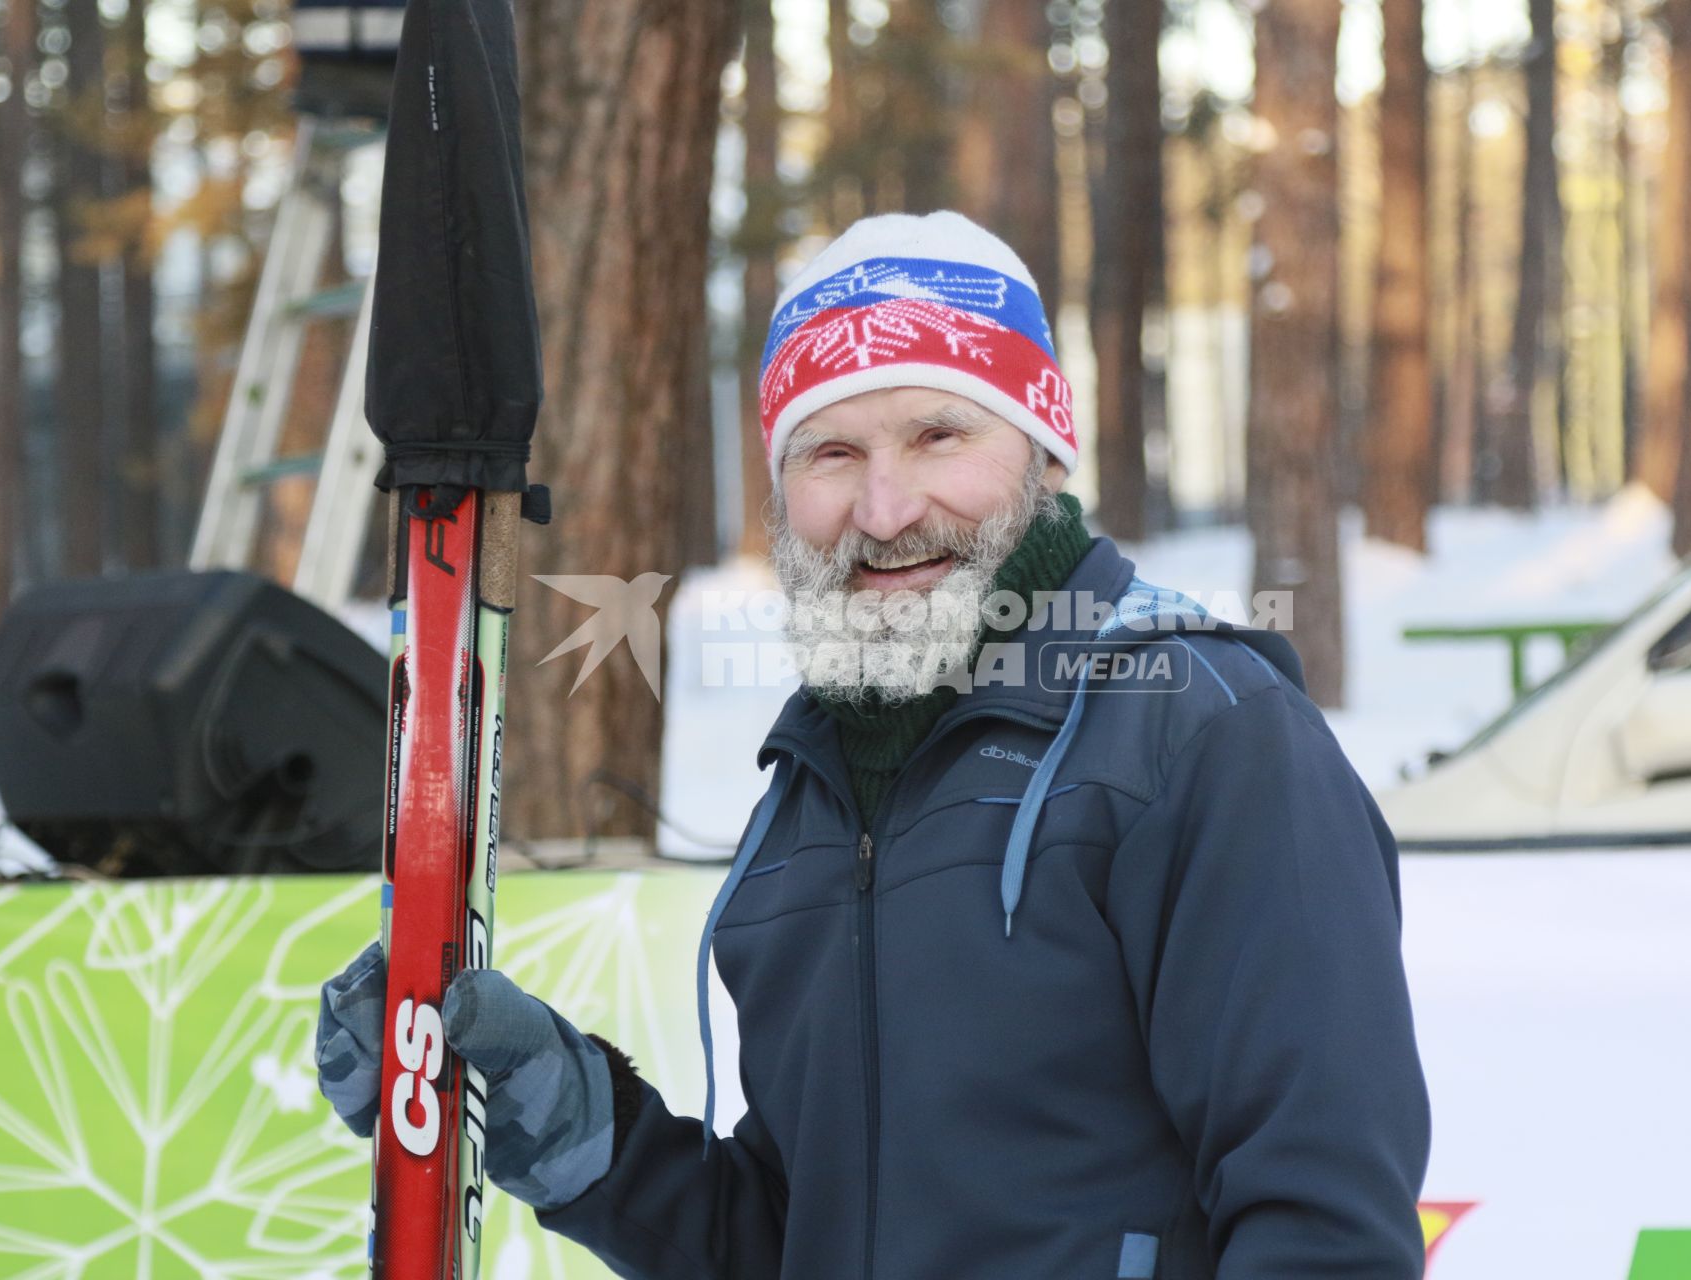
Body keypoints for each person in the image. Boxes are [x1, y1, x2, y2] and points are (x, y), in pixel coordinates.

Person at [317, 211, 1431, 1278]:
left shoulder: (1200, 733)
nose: (886, 507)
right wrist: (565, 1115)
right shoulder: (815, 791)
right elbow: (795, 1239)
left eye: (939, 433)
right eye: (832, 452)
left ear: (1046, 450)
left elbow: (1323, 1225)